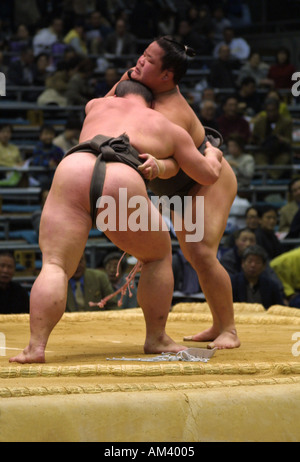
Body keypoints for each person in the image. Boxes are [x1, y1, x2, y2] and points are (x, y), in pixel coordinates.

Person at [9, 79, 223, 364]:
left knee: (55, 264)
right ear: (150, 104)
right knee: (157, 256)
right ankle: (156, 338)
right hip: (121, 177)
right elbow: (207, 175)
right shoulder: (166, 126)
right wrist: (212, 153)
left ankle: (35, 347)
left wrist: (133, 74)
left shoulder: (96, 105)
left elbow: (119, 89)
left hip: (74, 167)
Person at [106, 36, 241, 349]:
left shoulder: (172, 113)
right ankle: (218, 323)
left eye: (149, 60)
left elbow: (181, 166)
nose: (140, 61)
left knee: (201, 253)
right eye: (143, 54)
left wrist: (158, 164)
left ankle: (229, 330)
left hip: (207, 180)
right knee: (194, 254)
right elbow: (106, 107)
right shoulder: (132, 80)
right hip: (172, 188)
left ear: (166, 76)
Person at [230, 245, 285, 309]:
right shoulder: (232, 283)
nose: (253, 265)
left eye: (258, 262)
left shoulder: (271, 285)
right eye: (249, 261)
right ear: (242, 263)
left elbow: (279, 308)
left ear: (264, 266)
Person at [251, 97, 293, 179]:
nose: (271, 113)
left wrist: (281, 139)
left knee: (285, 158)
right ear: (265, 111)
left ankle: (271, 176)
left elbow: (289, 141)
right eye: (269, 111)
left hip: (280, 151)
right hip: (264, 151)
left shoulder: (287, 122)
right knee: (258, 158)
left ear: (278, 109)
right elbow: (254, 137)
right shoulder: (259, 122)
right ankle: (267, 175)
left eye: (273, 110)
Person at [30, 125, 64, 190]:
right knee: (44, 181)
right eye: (46, 134)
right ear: (40, 136)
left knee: (59, 180)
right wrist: (47, 163)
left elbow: (62, 159)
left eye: (50, 134)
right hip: (40, 173)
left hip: (53, 172)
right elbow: (36, 161)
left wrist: (56, 162)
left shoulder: (57, 149)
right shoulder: (37, 148)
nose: (48, 136)